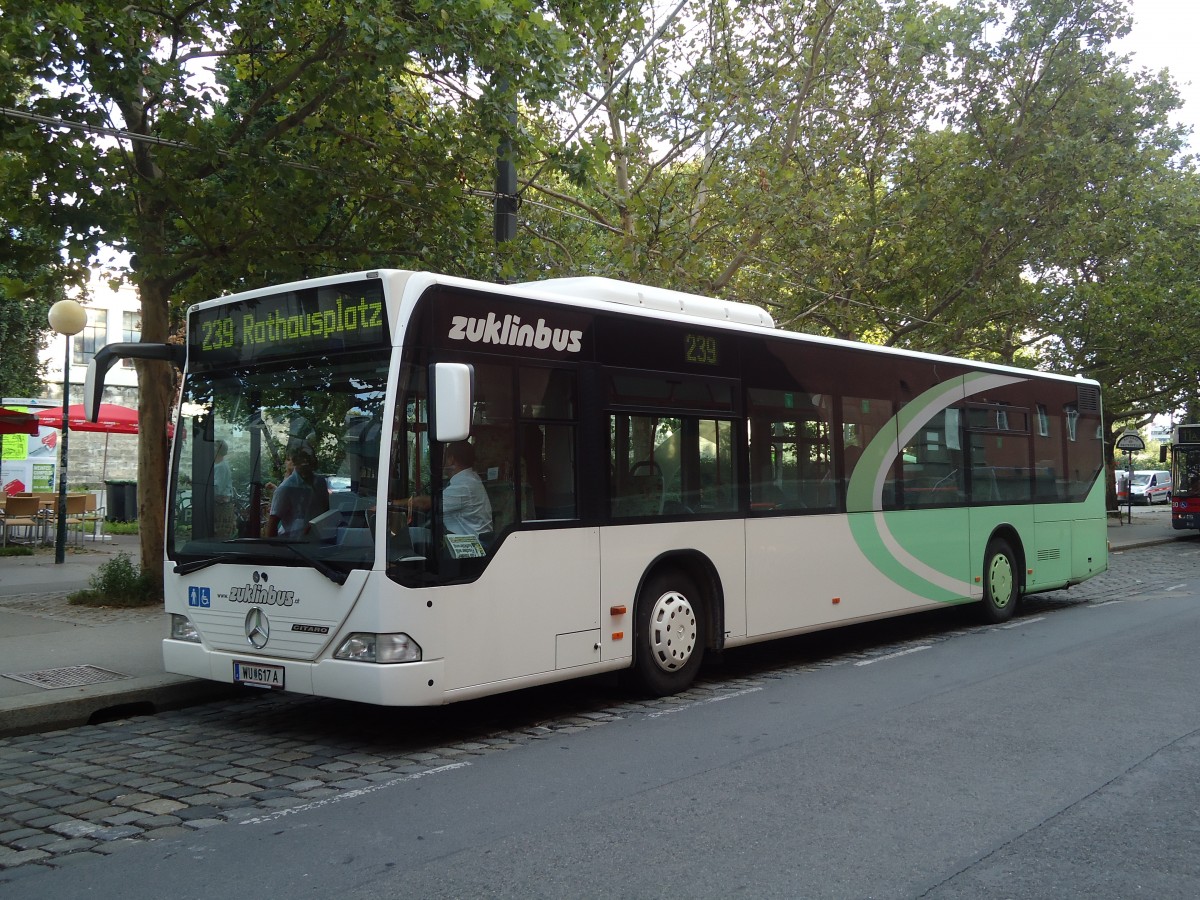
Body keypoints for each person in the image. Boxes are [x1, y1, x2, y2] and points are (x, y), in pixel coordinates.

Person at [409, 440, 493, 539]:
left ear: (451, 460)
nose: (443, 463)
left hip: (472, 545)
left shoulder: (464, 484)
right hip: (468, 539)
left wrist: (394, 503)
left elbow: (425, 503)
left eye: (445, 458)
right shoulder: (470, 477)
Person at [267, 444, 330, 538]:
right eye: (302, 458)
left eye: (308, 457)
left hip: (319, 542)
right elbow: (272, 524)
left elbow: (326, 511)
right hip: (293, 545)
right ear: (295, 461)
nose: (305, 462)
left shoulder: (321, 482)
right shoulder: (286, 488)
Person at [213, 439, 236, 538]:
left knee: (221, 534)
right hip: (218, 506)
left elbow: (218, 489)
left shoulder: (221, 467)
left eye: (215, 446)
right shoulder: (216, 465)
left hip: (222, 507)